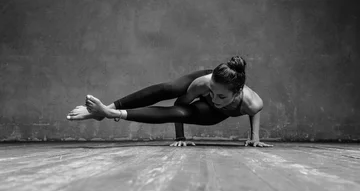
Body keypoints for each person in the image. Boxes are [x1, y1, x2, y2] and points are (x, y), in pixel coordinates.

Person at [67, 56, 273, 147]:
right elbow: (179, 103)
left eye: (220, 96)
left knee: (192, 113)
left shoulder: (252, 102)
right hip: (202, 86)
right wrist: (180, 136)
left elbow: (254, 112)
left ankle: (109, 114)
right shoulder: (203, 84)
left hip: (213, 114)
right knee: (170, 88)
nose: (213, 98)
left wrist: (254, 138)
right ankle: (107, 111)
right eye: (212, 92)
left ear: (237, 93)